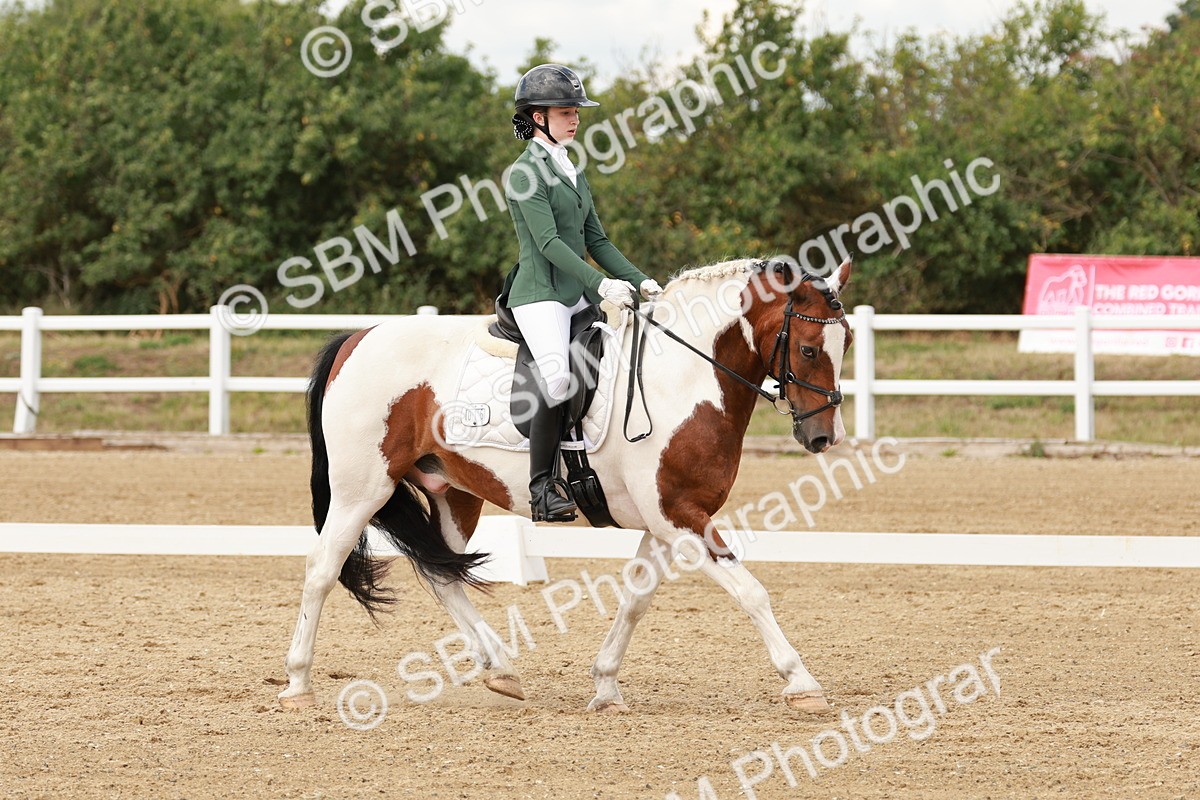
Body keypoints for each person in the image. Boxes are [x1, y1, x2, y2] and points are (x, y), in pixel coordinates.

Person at [504, 63, 662, 523]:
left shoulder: (572, 169)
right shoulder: (523, 174)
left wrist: (638, 279)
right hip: (540, 296)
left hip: (577, 294)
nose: (575, 119)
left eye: (576, 111)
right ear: (537, 117)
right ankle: (542, 489)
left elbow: (597, 241)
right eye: (565, 111)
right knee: (556, 379)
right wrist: (599, 283)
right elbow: (549, 243)